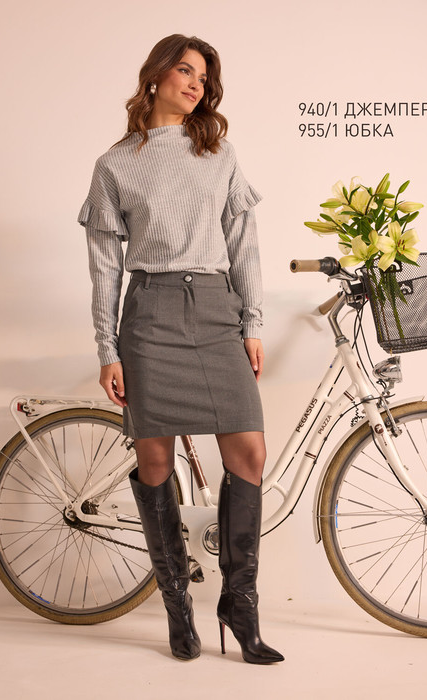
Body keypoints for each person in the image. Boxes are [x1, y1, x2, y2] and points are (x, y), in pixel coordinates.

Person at [77, 33, 284, 665]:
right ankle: (177, 607)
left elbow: (244, 245)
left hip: (217, 311)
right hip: (151, 316)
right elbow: (105, 268)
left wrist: (251, 323)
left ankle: (239, 607)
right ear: (156, 75)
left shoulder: (218, 153)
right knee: (155, 463)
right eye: (186, 70)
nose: (196, 84)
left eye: (204, 76)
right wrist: (107, 348)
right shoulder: (114, 164)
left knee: (249, 451)